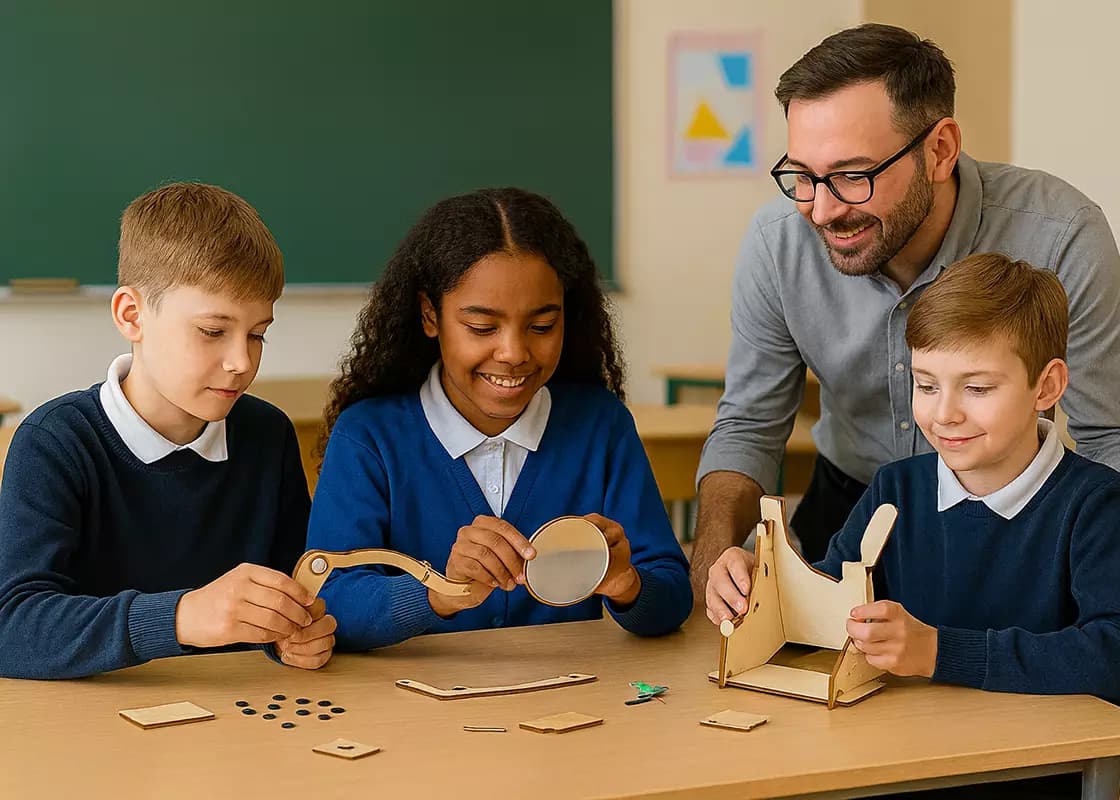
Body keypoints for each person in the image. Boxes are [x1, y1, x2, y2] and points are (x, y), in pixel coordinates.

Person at [690, 24, 1120, 606]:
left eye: (852, 175)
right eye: (803, 176)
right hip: (852, 510)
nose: (821, 210)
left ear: (939, 150)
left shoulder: (1061, 234)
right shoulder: (775, 245)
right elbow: (748, 426)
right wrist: (711, 574)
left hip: (1019, 520)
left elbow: (1118, 441)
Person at [706, 253, 1120, 797]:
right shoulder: (897, 489)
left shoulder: (1098, 504)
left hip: (1027, 774)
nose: (944, 414)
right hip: (894, 763)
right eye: (926, 385)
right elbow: (828, 606)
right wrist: (763, 589)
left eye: (977, 388)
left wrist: (941, 652)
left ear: (1046, 387)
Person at [307, 187, 691, 650]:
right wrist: (441, 592)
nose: (513, 353)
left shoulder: (600, 426)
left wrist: (625, 582)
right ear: (431, 315)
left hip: (575, 704)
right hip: (415, 715)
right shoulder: (370, 437)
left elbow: (671, 595)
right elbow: (328, 603)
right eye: (483, 328)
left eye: (543, 326)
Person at [0, 182, 333, 678]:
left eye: (258, 334)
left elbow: (293, 591)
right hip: (97, 726)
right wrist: (179, 618)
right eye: (212, 332)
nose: (242, 362)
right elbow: (13, 627)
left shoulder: (268, 435)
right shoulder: (55, 442)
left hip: (236, 717)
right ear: (131, 316)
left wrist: (298, 634)